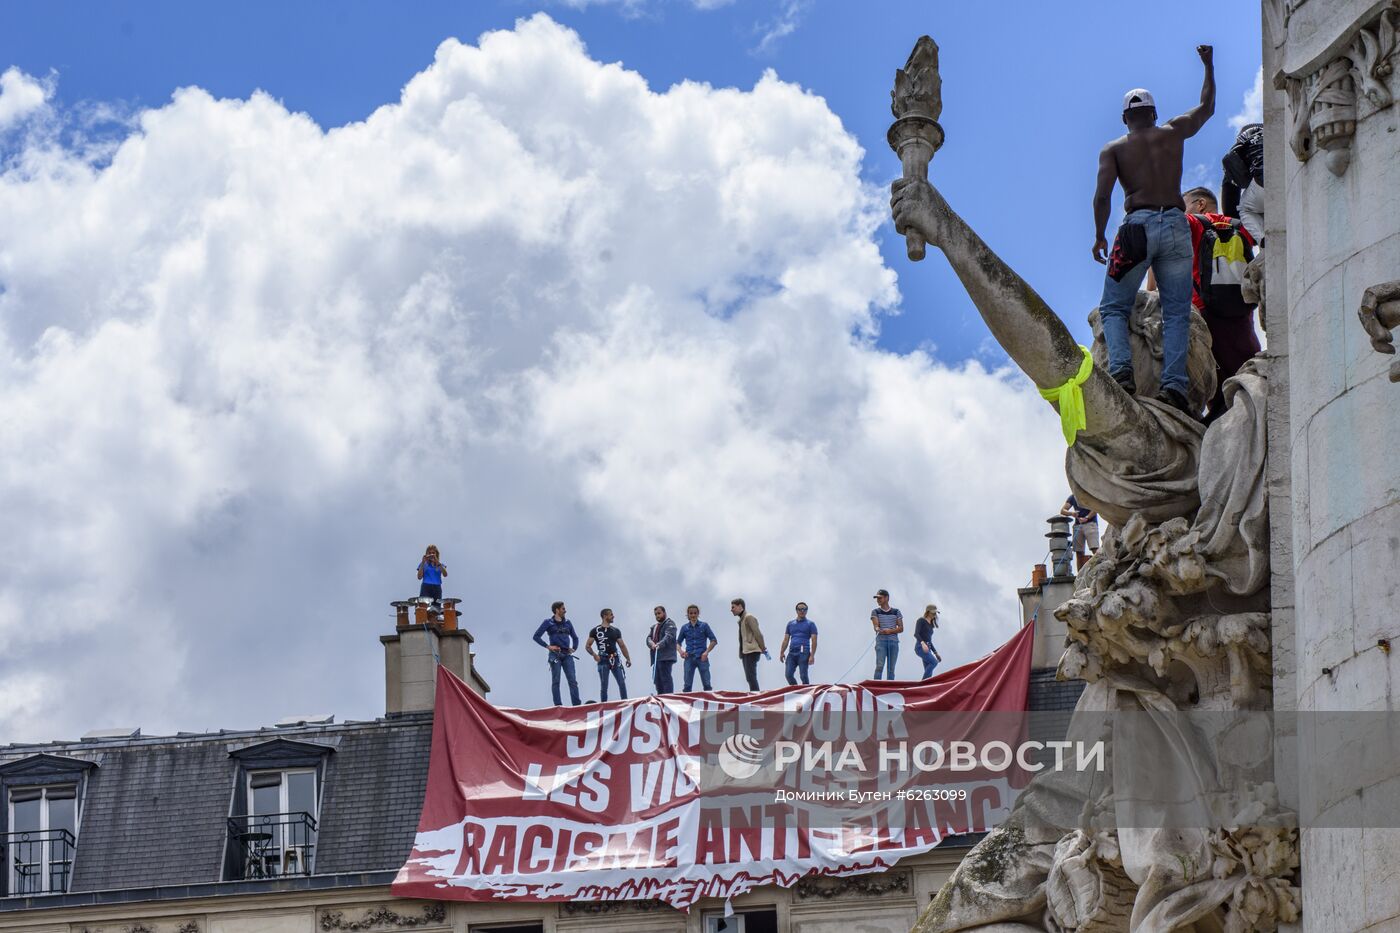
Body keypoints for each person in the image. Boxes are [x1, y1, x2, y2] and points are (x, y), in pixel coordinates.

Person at [1091, 45, 1216, 415]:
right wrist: (1208, 65)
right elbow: (1206, 107)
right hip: (1177, 224)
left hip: (1137, 228)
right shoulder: (1173, 132)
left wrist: (1099, 234)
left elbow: (1102, 197)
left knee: (1113, 306)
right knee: (1177, 311)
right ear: (1155, 114)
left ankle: (1122, 372)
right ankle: (1175, 387)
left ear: (1125, 118)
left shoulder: (1114, 149)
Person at [1180, 186, 1261, 423]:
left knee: (1211, 378)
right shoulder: (1242, 226)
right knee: (1245, 366)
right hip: (1241, 310)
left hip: (1206, 311)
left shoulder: (1193, 222)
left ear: (1200, 204)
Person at [1221, 122, 1264, 245]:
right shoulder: (1278, 132)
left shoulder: (1240, 147)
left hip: (1263, 184)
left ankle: (1263, 240)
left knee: (1245, 209)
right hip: (1290, 177)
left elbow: (1230, 205)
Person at [532, 601, 581, 707]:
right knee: (556, 680)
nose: (565, 610)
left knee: (572, 680)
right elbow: (536, 636)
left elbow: (575, 638)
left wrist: (574, 648)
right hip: (555, 655)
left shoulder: (568, 622)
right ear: (557, 610)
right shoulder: (548, 622)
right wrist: (547, 646)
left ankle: (577, 705)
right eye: (563, 609)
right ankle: (558, 706)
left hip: (567, 655)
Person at [586, 608, 631, 702]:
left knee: (621, 682)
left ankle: (625, 702)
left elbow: (622, 645)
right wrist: (594, 655)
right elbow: (588, 646)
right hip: (602, 659)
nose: (613, 616)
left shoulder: (615, 631)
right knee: (604, 685)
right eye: (611, 614)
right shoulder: (595, 630)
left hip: (615, 658)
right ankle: (603, 705)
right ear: (604, 616)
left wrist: (628, 658)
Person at [677, 605, 719, 692]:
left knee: (707, 684)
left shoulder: (704, 626)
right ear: (688, 614)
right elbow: (677, 643)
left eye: (695, 613)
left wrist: (706, 652)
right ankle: (686, 703)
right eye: (691, 613)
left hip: (702, 657)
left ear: (698, 614)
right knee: (687, 685)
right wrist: (681, 652)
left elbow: (713, 640)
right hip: (689, 657)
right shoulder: (684, 628)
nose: (693, 615)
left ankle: (709, 702)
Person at [731, 599, 767, 691]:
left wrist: (763, 648)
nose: (731, 610)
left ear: (740, 606)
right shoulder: (742, 620)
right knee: (749, 677)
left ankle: (756, 697)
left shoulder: (749, 617)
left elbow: (757, 633)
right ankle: (754, 694)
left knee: (751, 676)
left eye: (733, 607)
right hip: (745, 652)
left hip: (752, 651)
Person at [780, 602, 819, 685]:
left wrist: (812, 655)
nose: (802, 611)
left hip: (803, 651)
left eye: (804, 609)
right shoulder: (790, 624)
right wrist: (782, 652)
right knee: (788, 675)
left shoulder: (811, 624)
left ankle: (807, 692)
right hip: (792, 651)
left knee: (803, 675)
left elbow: (814, 640)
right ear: (796, 611)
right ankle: (796, 692)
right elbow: (786, 639)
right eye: (800, 609)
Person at [1060, 494, 1101, 569]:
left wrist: (1087, 517)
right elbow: (1063, 510)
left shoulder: (1090, 493)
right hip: (1078, 526)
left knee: (1095, 549)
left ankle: (1100, 569)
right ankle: (1080, 576)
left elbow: (1096, 509)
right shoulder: (1073, 497)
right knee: (1079, 553)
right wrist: (1072, 513)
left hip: (1090, 524)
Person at [871, 589, 904, 680]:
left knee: (891, 669)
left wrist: (889, 631)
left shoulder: (896, 611)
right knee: (879, 666)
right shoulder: (875, 611)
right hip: (881, 642)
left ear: (886, 598)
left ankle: (890, 688)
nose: (878, 600)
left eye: (880, 598)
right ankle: (876, 687)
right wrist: (878, 629)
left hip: (893, 642)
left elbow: (901, 628)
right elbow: (876, 626)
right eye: (877, 598)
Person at [645, 606, 678, 695]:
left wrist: (660, 644)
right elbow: (648, 638)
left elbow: (669, 636)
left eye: (659, 613)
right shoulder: (654, 627)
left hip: (666, 657)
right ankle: (660, 696)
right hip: (656, 658)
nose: (657, 616)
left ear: (664, 613)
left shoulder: (670, 624)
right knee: (657, 679)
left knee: (665, 677)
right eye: (655, 614)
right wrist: (651, 643)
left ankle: (668, 696)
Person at [913, 605, 943, 679]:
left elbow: (929, 641)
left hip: (928, 648)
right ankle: (922, 684)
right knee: (934, 662)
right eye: (933, 613)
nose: (934, 615)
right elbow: (916, 634)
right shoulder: (921, 620)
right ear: (928, 612)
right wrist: (923, 643)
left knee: (928, 670)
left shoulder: (931, 625)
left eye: (935, 613)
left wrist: (936, 653)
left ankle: (926, 685)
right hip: (920, 647)